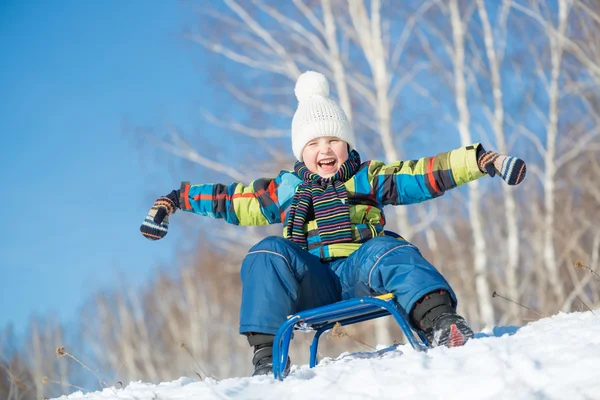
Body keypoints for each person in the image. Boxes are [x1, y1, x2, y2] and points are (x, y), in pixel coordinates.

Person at [140, 71, 526, 377]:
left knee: (389, 248)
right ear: (300, 151)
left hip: (363, 270)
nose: (324, 150)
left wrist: (479, 161)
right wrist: (175, 200)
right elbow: (231, 200)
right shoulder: (286, 189)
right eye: (312, 143)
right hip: (313, 284)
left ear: (347, 145)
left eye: (333, 141)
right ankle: (265, 354)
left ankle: (442, 323)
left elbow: (424, 173)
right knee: (266, 253)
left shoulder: (368, 176)